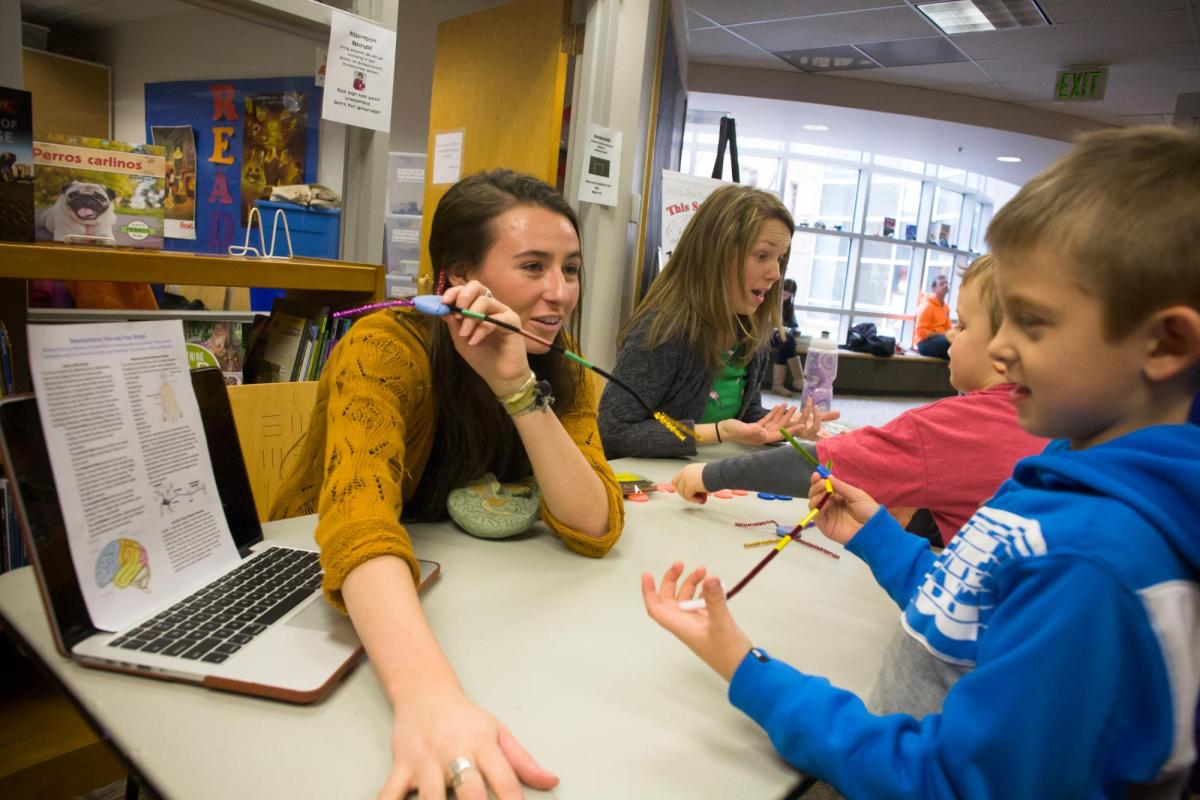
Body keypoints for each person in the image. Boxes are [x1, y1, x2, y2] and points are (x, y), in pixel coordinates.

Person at [643, 125, 1200, 797]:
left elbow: (945, 780)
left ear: (1165, 344)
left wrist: (745, 667)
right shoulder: (1069, 467)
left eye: (1035, 323)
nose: (1000, 351)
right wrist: (881, 539)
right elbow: (979, 605)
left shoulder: (1092, 563)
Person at [270, 169, 624, 798]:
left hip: (465, 601)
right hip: (322, 595)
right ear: (459, 281)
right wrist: (430, 700)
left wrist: (517, 389)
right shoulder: (383, 347)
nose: (561, 292)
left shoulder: (557, 365)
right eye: (534, 266)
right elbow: (359, 525)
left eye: (570, 269)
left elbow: (593, 523)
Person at [672, 253, 1048, 545]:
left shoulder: (953, 424)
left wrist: (707, 475)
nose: (950, 336)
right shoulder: (1058, 420)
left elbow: (812, 465)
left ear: (1007, 348)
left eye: (962, 326)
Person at [598, 184, 824, 458]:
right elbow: (614, 431)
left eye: (780, 258)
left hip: (709, 478)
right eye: (762, 256)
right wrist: (717, 432)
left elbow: (747, 414)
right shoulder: (661, 332)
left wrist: (787, 426)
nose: (776, 274)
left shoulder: (750, 331)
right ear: (714, 255)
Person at [767, 278, 803, 396]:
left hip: (780, 337)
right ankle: (798, 380)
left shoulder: (789, 306)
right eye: (782, 293)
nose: (784, 296)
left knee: (786, 342)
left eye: (787, 295)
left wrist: (789, 329)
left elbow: (792, 324)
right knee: (788, 341)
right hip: (767, 334)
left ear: (792, 295)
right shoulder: (770, 300)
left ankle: (778, 385)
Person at [914, 273, 951, 359]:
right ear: (934, 288)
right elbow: (920, 332)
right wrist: (943, 334)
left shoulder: (946, 308)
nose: (945, 285)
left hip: (940, 340)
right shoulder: (927, 306)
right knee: (951, 342)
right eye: (941, 284)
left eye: (946, 283)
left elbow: (949, 328)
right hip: (924, 343)